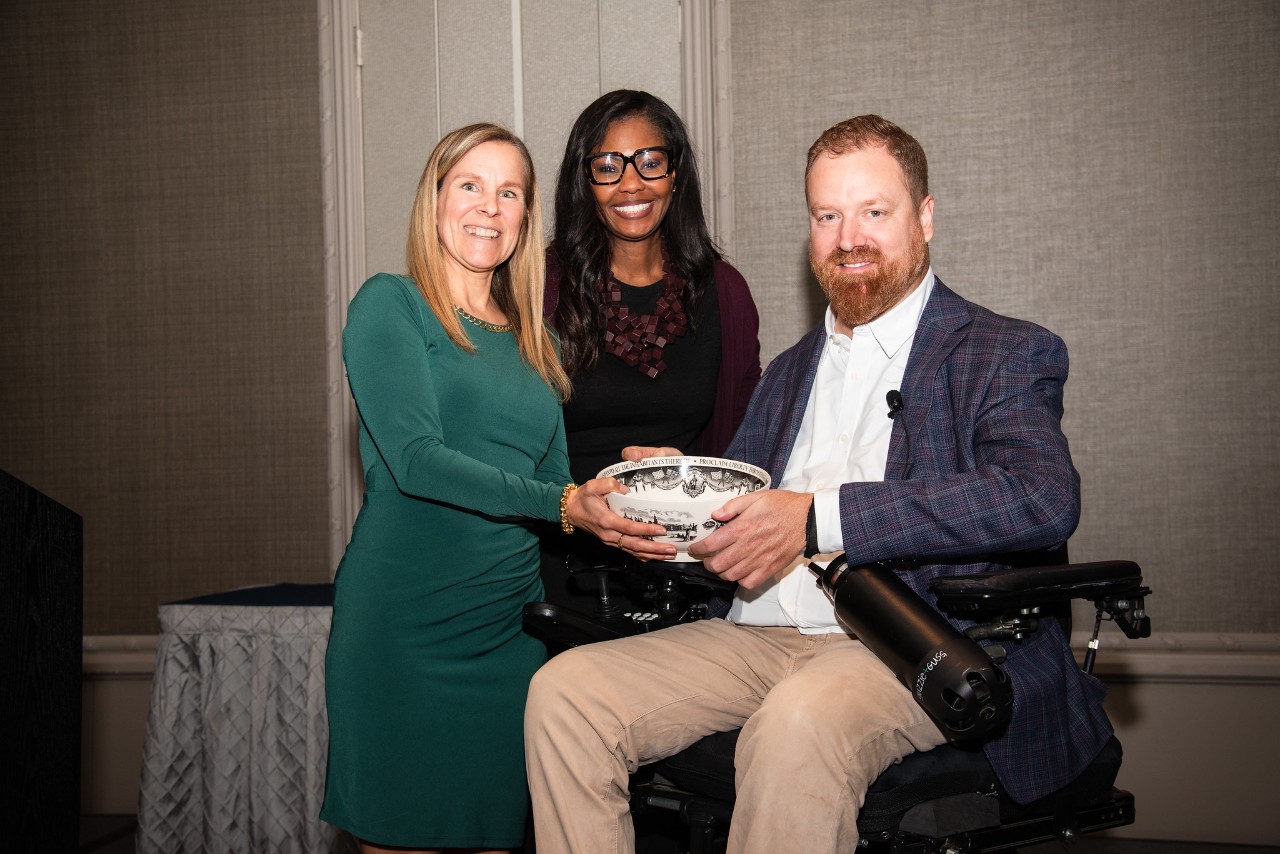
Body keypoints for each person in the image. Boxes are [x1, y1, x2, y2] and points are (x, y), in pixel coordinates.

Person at [524, 115, 1113, 853]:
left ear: (924, 218)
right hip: (756, 633)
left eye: (874, 211)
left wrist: (819, 519)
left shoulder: (1000, 351)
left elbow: (1039, 496)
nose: (848, 237)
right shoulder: (788, 374)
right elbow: (746, 521)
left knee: (796, 720)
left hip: (909, 642)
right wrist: (670, 493)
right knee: (565, 695)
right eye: (827, 216)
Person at [320, 123, 669, 854]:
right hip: (405, 629)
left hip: (507, 635)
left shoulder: (534, 343)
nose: (488, 206)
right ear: (435, 200)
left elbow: (550, 490)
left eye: (508, 191)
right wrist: (565, 503)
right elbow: (416, 460)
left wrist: (623, 491)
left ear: (525, 214)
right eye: (469, 186)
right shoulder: (391, 305)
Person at [541, 89, 761, 618]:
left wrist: (696, 480)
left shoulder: (724, 292)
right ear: (584, 180)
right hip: (562, 555)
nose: (631, 183)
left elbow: (747, 442)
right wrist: (572, 507)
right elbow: (501, 441)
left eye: (650, 161)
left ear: (675, 173)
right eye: (609, 165)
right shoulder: (540, 288)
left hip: (685, 567)